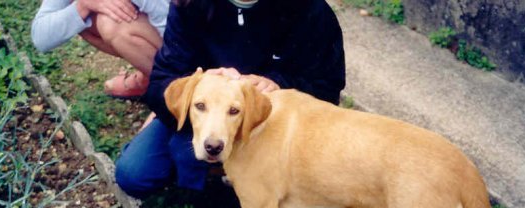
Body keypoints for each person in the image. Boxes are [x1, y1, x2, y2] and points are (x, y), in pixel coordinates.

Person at [115, 0, 346, 196]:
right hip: (205, 117)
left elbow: (327, 89)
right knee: (134, 174)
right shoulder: (189, 4)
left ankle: (244, 177)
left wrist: (278, 84)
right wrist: (193, 85)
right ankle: (214, 172)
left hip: (268, 124)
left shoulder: (311, 11)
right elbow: (161, 81)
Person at [31, 0, 169, 97]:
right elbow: (41, 37)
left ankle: (175, 88)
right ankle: (154, 77)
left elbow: (177, 28)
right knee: (82, 16)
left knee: (111, 24)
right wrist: (83, 6)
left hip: (184, 34)